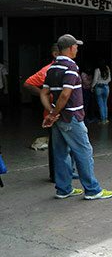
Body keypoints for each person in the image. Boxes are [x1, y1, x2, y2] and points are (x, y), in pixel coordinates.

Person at [40, 34, 112, 200]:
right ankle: (93, 190)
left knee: (60, 153)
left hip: (59, 120)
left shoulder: (52, 68)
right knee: (84, 152)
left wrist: (51, 112)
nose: (77, 49)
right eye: (76, 46)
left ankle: (64, 189)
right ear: (71, 48)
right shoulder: (71, 68)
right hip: (71, 117)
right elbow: (66, 95)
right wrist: (55, 113)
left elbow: (44, 93)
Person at [24, 43, 62, 181]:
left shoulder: (66, 67)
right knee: (55, 146)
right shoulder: (48, 70)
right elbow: (28, 83)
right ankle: (55, 175)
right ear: (56, 54)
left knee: (64, 146)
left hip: (65, 114)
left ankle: (65, 172)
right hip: (52, 114)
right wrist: (44, 94)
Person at [91, 60, 111, 125]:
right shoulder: (107, 69)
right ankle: (106, 119)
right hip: (106, 87)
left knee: (100, 104)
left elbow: (95, 80)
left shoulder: (97, 70)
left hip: (99, 87)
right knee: (105, 103)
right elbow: (109, 79)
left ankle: (102, 120)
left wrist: (92, 86)